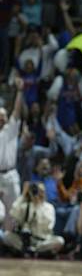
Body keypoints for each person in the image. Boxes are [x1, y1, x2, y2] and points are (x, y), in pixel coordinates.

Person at [0, 76, 24, 229]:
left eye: (3, 117)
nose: (1, 119)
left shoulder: (11, 130)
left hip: (10, 175)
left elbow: (17, 111)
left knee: (14, 212)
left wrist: (20, 92)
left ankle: (9, 244)